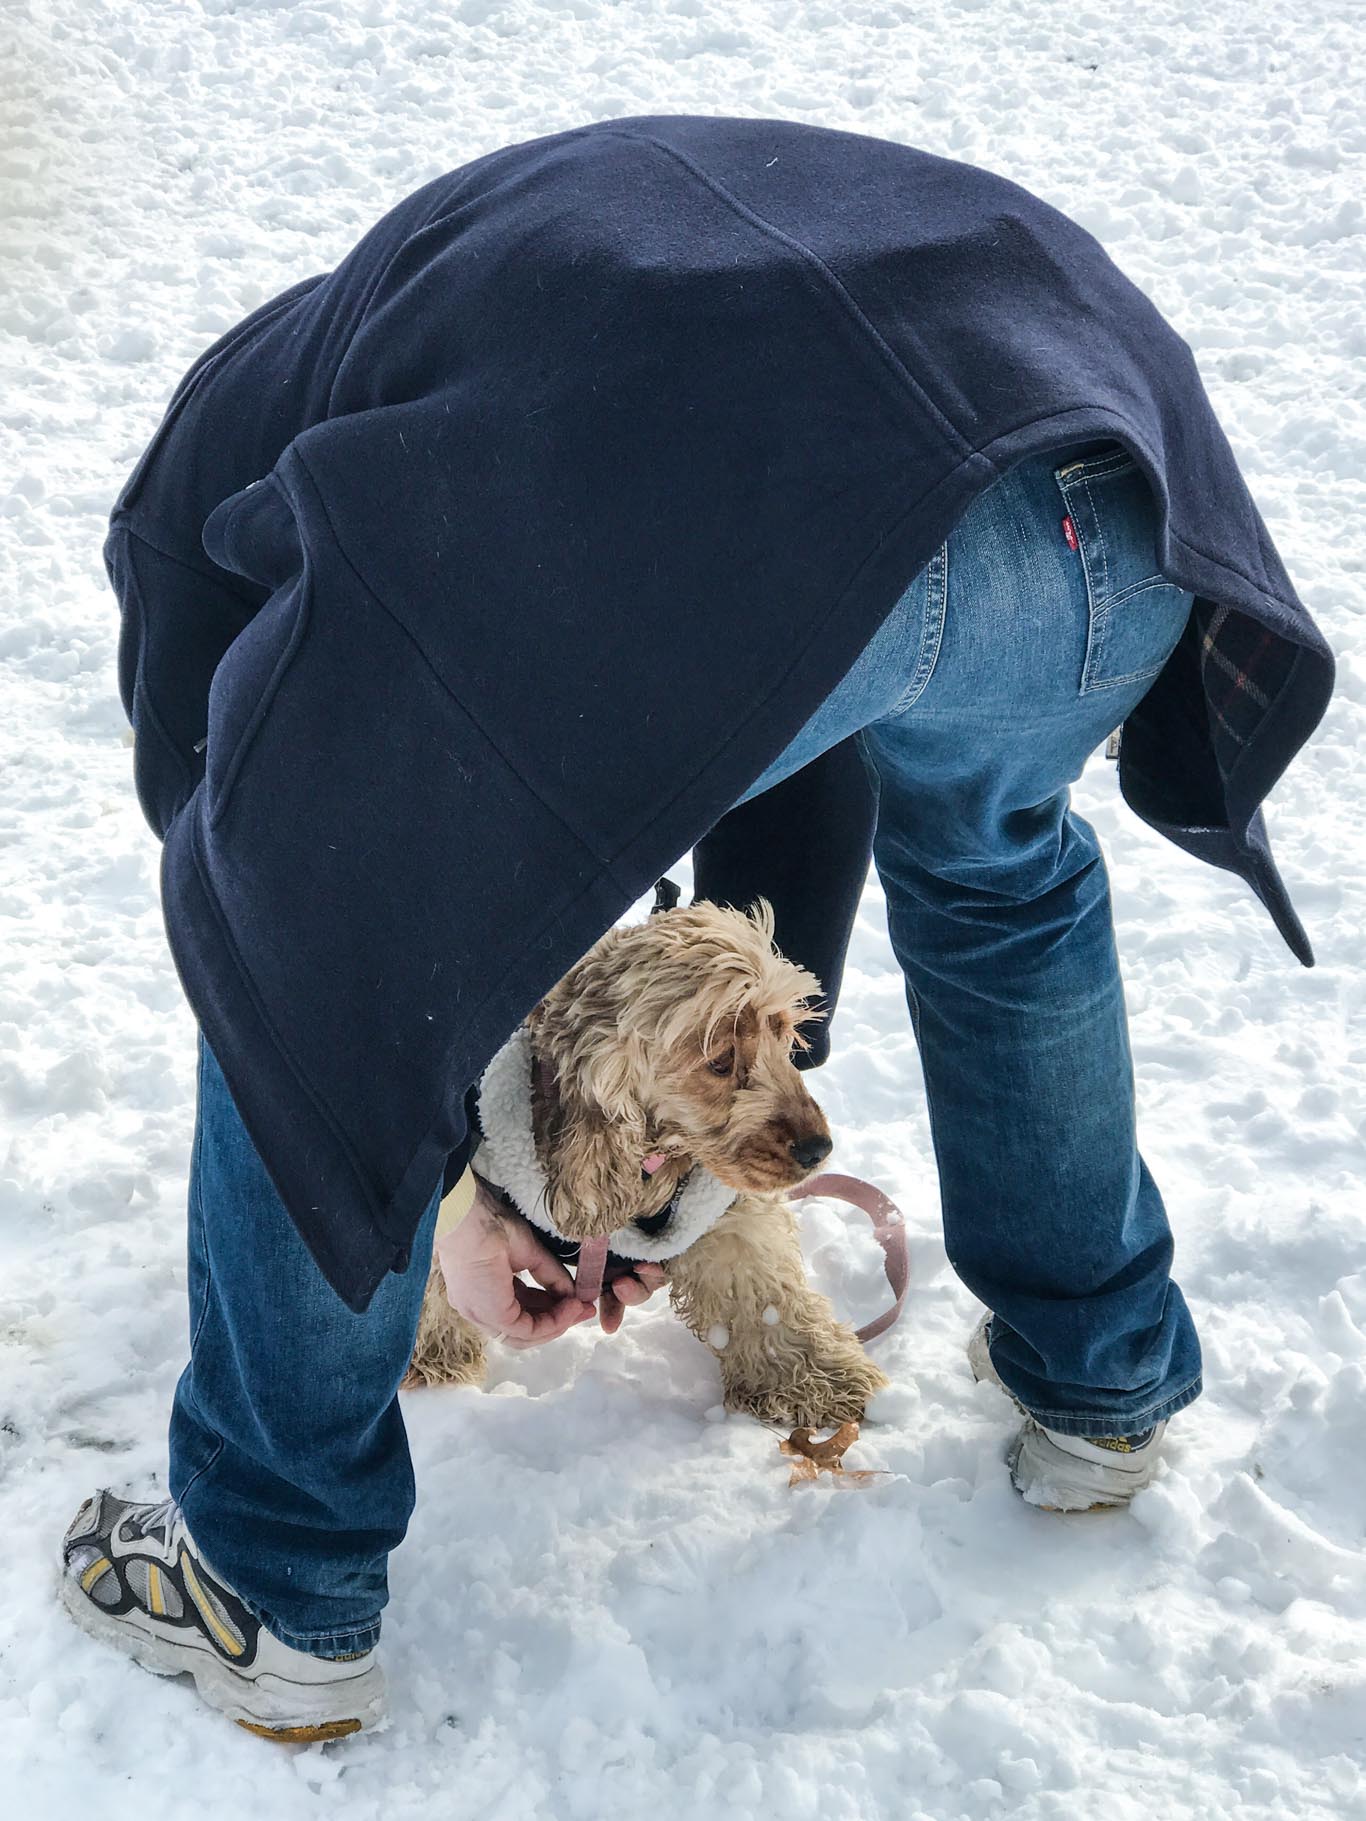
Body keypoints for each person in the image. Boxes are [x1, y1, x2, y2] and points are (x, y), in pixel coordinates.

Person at [61, 115, 1334, 1738]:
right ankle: (1100, 1382)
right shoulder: (486, 362)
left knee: (299, 937)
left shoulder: (226, 506)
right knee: (1002, 873)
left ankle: (268, 1580)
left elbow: (299, 925)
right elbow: (775, 790)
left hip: (855, 476)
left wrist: (424, 1152)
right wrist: (627, 1163)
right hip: (1100, 485)